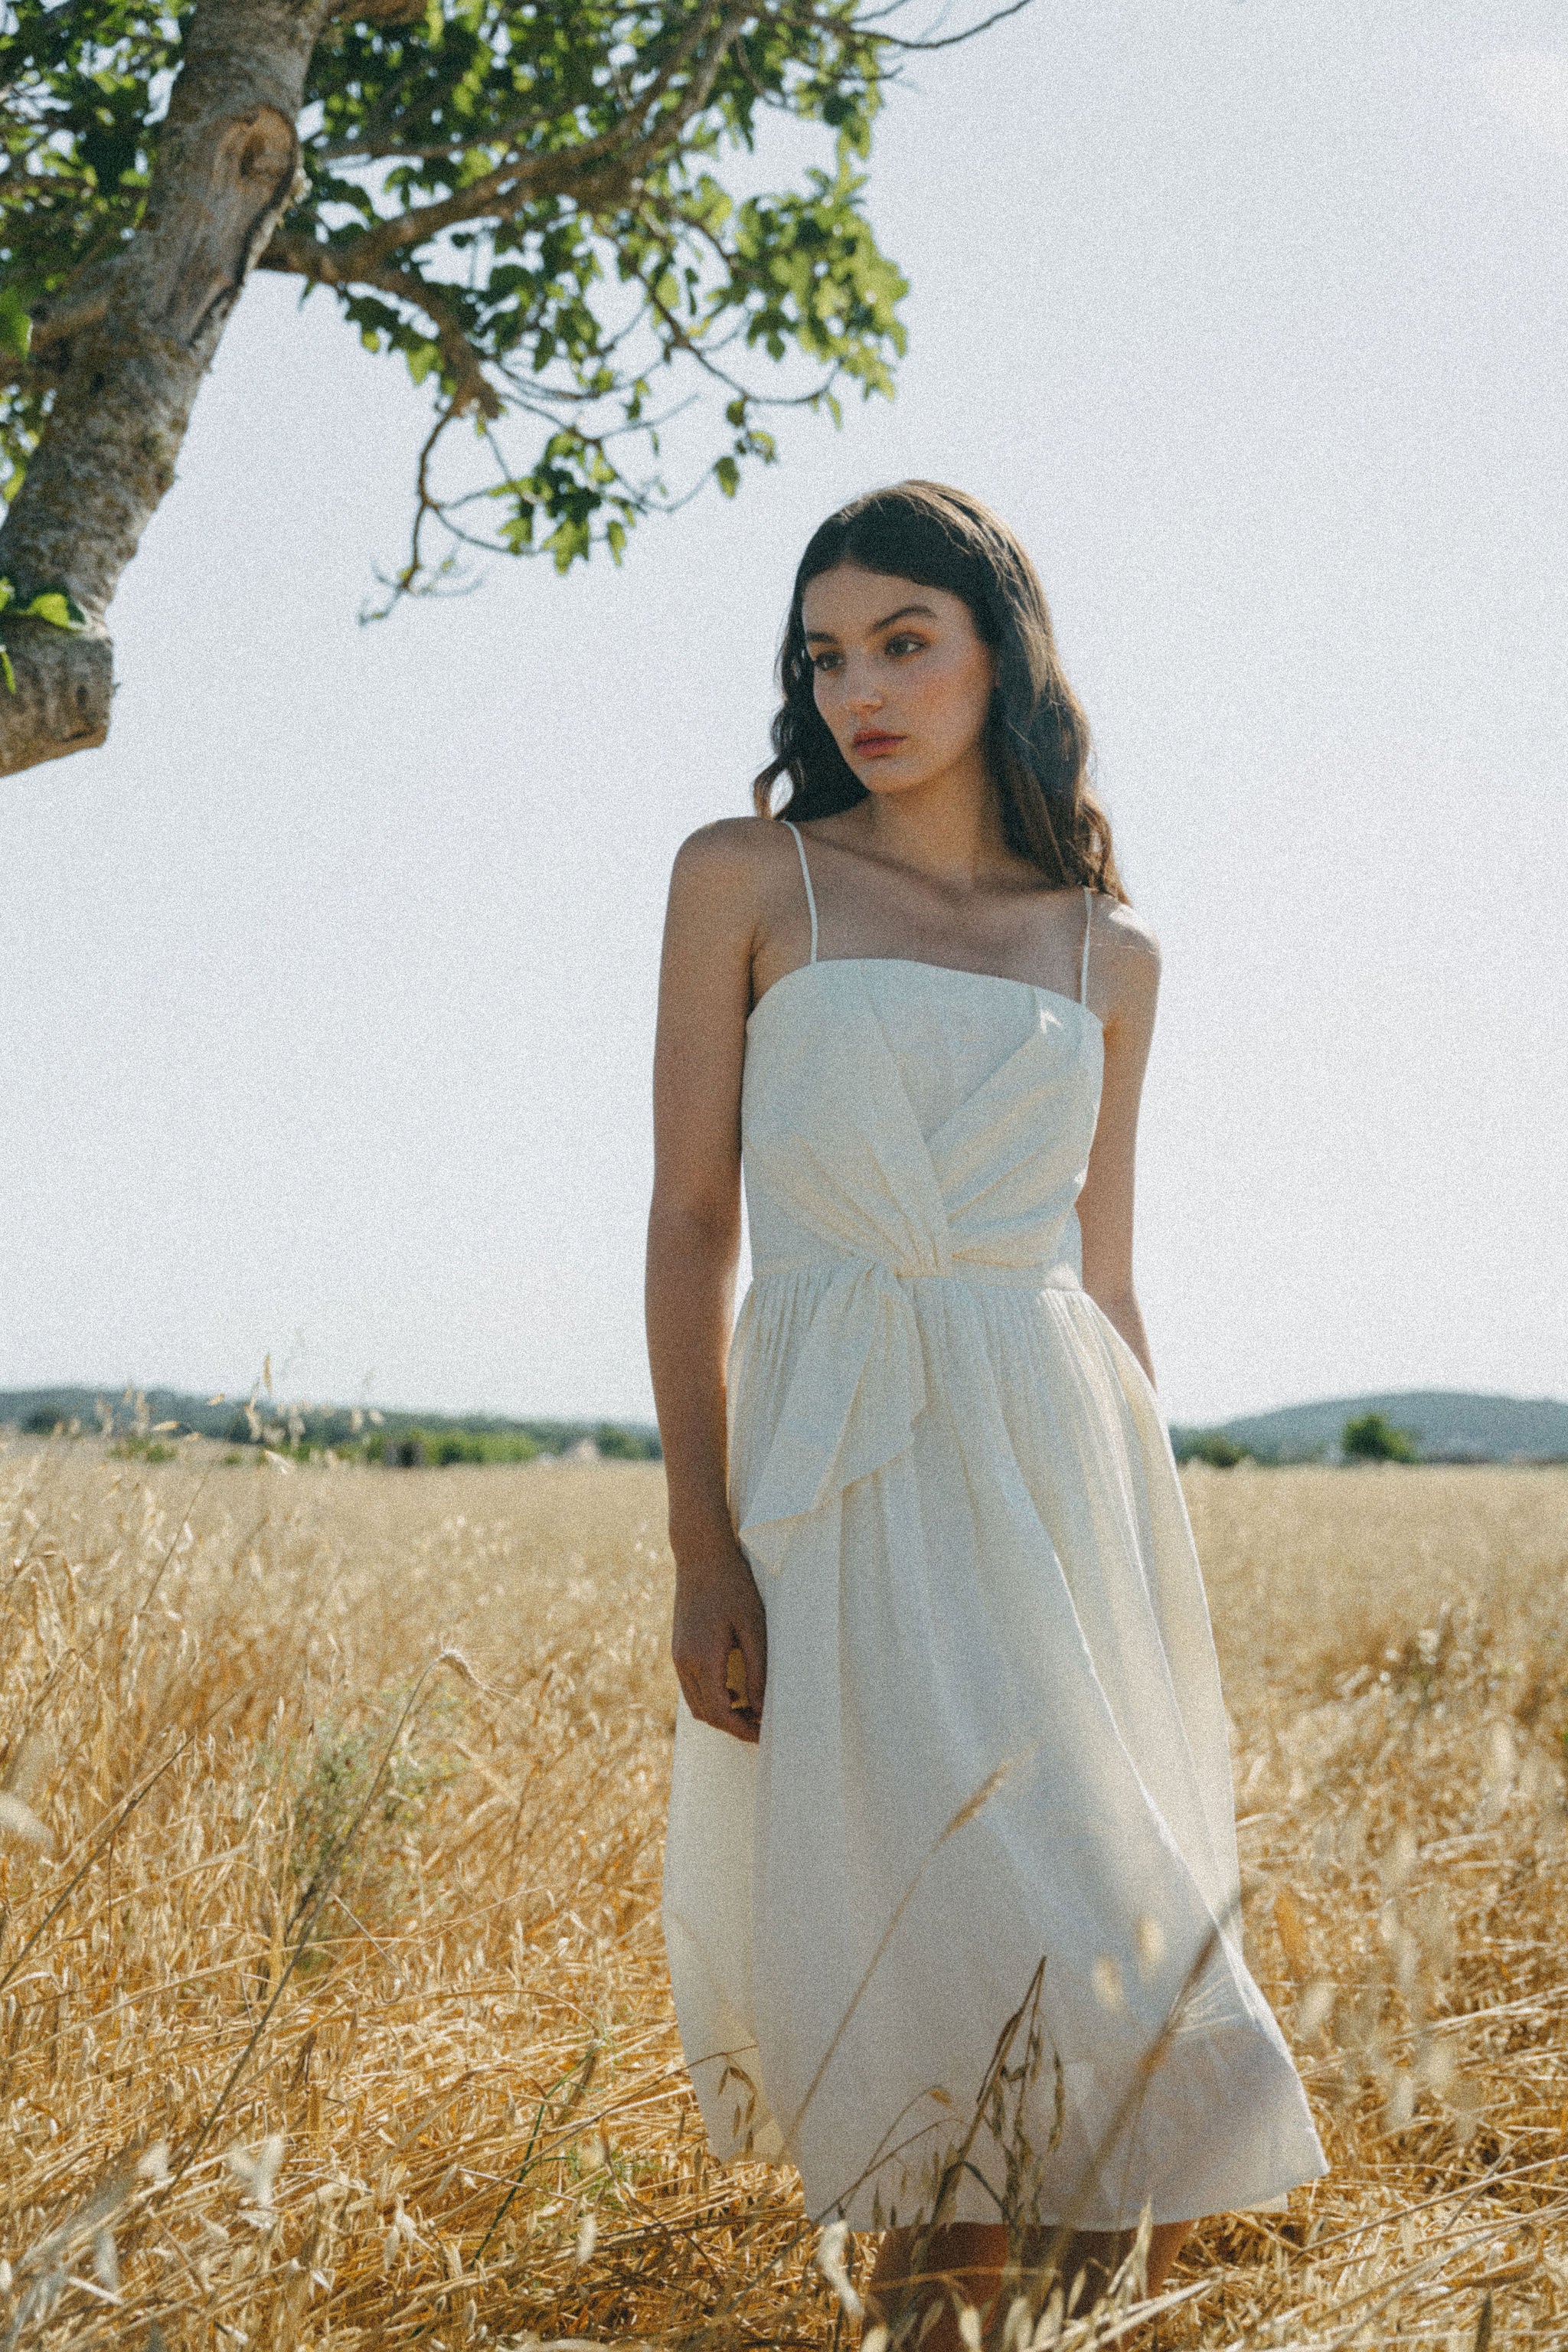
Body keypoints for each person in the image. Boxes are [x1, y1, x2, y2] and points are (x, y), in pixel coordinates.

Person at [646, 482, 1325, 2347]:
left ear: (997, 649)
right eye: (823, 655)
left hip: (1054, 1484)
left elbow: (1101, 1285)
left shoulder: (1109, 951)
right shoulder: (748, 877)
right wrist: (704, 1542)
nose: (856, 686)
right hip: (839, 1485)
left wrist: (1148, 1574)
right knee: (933, 1998)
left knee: (1139, 2022)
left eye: (902, 641)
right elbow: (694, 1221)